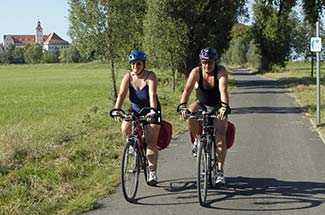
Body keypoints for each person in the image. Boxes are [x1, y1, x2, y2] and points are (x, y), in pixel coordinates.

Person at [178, 47, 230, 185]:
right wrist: (182, 106)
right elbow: (187, 90)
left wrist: (224, 107)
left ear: (215, 61)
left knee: (220, 138)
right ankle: (197, 140)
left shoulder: (221, 71)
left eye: (210, 62)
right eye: (204, 62)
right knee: (190, 114)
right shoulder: (196, 72)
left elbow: (223, 90)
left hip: (217, 105)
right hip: (201, 103)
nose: (207, 66)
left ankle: (219, 172)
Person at [113, 50, 161, 185]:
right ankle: (134, 146)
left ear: (143, 64)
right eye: (133, 64)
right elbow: (121, 94)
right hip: (135, 109)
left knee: (151, 141)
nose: (135, 66)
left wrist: (153, 111)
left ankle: (152, 171)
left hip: (151, 109)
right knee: (125, 126)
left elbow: (152, 94)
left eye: (138, 63)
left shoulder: (150, 76)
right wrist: (117, 110)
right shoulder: (128, 77)